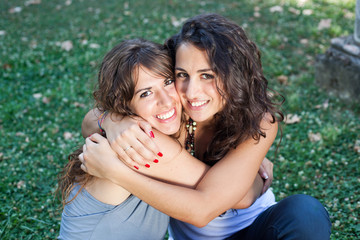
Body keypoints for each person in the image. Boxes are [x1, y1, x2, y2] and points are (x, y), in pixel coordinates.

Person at [80, 14, 331, 239]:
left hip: (258, 230)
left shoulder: (259, 120)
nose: (192, 92)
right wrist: (113, 120)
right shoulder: (169, 117)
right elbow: (91, 119)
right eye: (181, 75)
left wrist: (117, 172)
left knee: (305, 212)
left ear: (233, 76)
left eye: (207, 76)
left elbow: (207, 209)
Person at [57, 38, 264, 240]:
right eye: (146, 93)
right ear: (124, 105)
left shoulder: (125, 127)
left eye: (168, 82)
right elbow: (238, 195)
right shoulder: (144, 141)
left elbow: (92, 118)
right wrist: (251, 164)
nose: (165, 101)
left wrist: (109, 119)